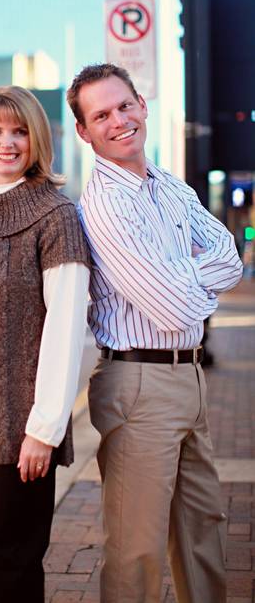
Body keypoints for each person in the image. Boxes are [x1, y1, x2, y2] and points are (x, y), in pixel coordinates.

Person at [67, 62, 243, 603]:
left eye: (124, 106)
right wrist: (189, 276)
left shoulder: (169, 186)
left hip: (187, 376)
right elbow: (172, 307)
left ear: (142, 105)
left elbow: (231, 260)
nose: (118, 120)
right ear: (84, 131)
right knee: (137, 549)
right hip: (137, 383)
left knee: (204, 531)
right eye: (101, 115)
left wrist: (181, 274)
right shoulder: (104, 204)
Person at [0, 86, 90, 603]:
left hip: (23, 431)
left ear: (37, 139)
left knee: (5, 565)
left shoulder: (57, 216)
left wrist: (45, 429)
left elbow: (66, 326)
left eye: (19, 131)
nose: (5, 143)